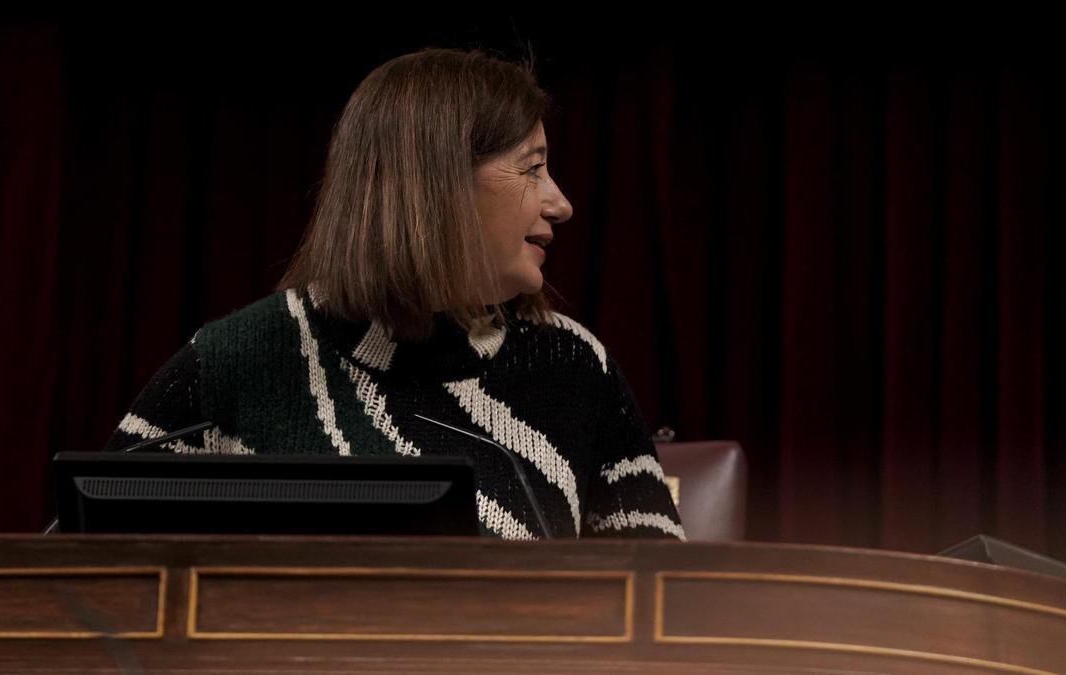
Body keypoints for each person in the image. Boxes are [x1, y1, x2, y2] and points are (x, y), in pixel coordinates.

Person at [104, 48, 684, 540]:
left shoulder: (574, 367)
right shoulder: (237, 359)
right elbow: (99, 576)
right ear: (438, 186)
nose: (561, 204)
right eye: (532, 170)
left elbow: (659, 609)